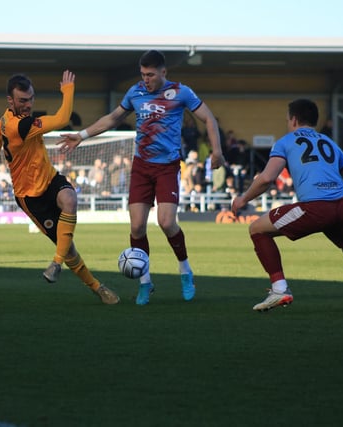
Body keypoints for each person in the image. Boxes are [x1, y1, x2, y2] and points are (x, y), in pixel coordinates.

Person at [59, 50, 224, 305]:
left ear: (163, 72)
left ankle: (185, 271)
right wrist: (82, 135)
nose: (146, 79)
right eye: (143, 74)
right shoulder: (135, 92)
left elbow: (209, 118)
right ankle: (145, 282)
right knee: (136, 227)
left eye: (150, 75)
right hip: (141, 167)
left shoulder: (181, 92)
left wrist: (217, 151)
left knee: (167, 222)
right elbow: (113, 118)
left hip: (167, 166)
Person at [231, 98, 343, 315]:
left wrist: (243, 199)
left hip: (316, 207)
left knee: (257, 229)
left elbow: (266, 179)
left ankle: (279, 289)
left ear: (293, 119)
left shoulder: (286, 142)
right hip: (342, 207)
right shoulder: (330, 143)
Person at [0, 70, 119, 305]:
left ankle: (55, 264)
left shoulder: (5, 119)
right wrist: (68, 91)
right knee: (70, 251)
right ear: (11, 100)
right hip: (30, 197)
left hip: (49, 180)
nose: (28, 105)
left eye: (31, 99)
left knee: (70, 199)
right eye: (23, 101)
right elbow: (61, 119)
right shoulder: (20, 126)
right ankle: (97, 287)